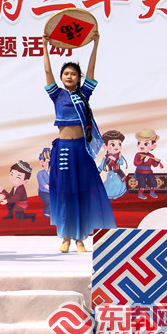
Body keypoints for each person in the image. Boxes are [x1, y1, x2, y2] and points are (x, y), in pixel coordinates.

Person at [41, 33, 115, 253]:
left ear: (78, 78)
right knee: (65, 193)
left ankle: (80, 239)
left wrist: (95, 44)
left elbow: (91, 70)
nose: (69, 76)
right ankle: (65, 238)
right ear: (62, 77)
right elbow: (47, 72)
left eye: (73, 74)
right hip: (63, 151)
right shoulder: (57, 95)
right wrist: (44, 46)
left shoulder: (84, 94)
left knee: (82, 193)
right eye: (66, 73)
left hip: (81, 151)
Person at [98, 131, 127, 200]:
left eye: (119, 144)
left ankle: (120, 195)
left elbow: (121, 163)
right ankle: (109, 197)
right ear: (105, 146)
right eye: (112, 144)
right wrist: (96, 173)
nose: (116, 147)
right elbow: (101, 166)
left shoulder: (119, 155)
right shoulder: (106, 157)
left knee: (121, 183)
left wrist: (115, 159)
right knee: (110, 185)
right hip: (111, 173)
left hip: (119, 172)